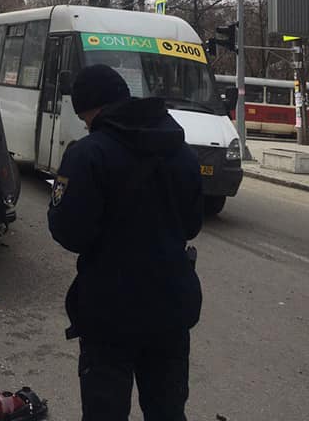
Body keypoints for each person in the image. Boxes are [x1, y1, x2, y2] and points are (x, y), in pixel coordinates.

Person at [48, 64, 203, 421]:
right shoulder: (180, 150)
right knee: (167, 411)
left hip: (109, 311)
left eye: (84, 116)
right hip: (171, 307)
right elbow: (192, 225)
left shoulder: (88, 153)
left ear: (91, 108)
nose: (85, 124)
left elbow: (70, 233)